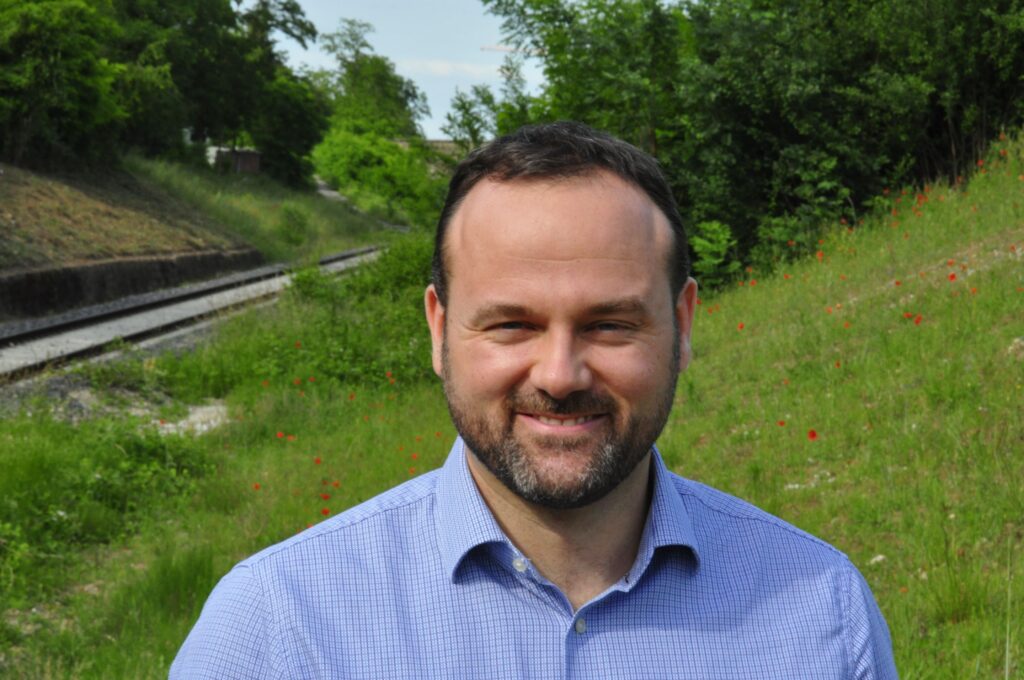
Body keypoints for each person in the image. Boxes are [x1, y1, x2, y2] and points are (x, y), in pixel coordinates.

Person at [171, 122, 898, 678]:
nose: (559, 374)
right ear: (439, 328)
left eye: (609, 324)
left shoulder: (822, 613)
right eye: (511, 324)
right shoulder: (277, 626)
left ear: (681, 327)